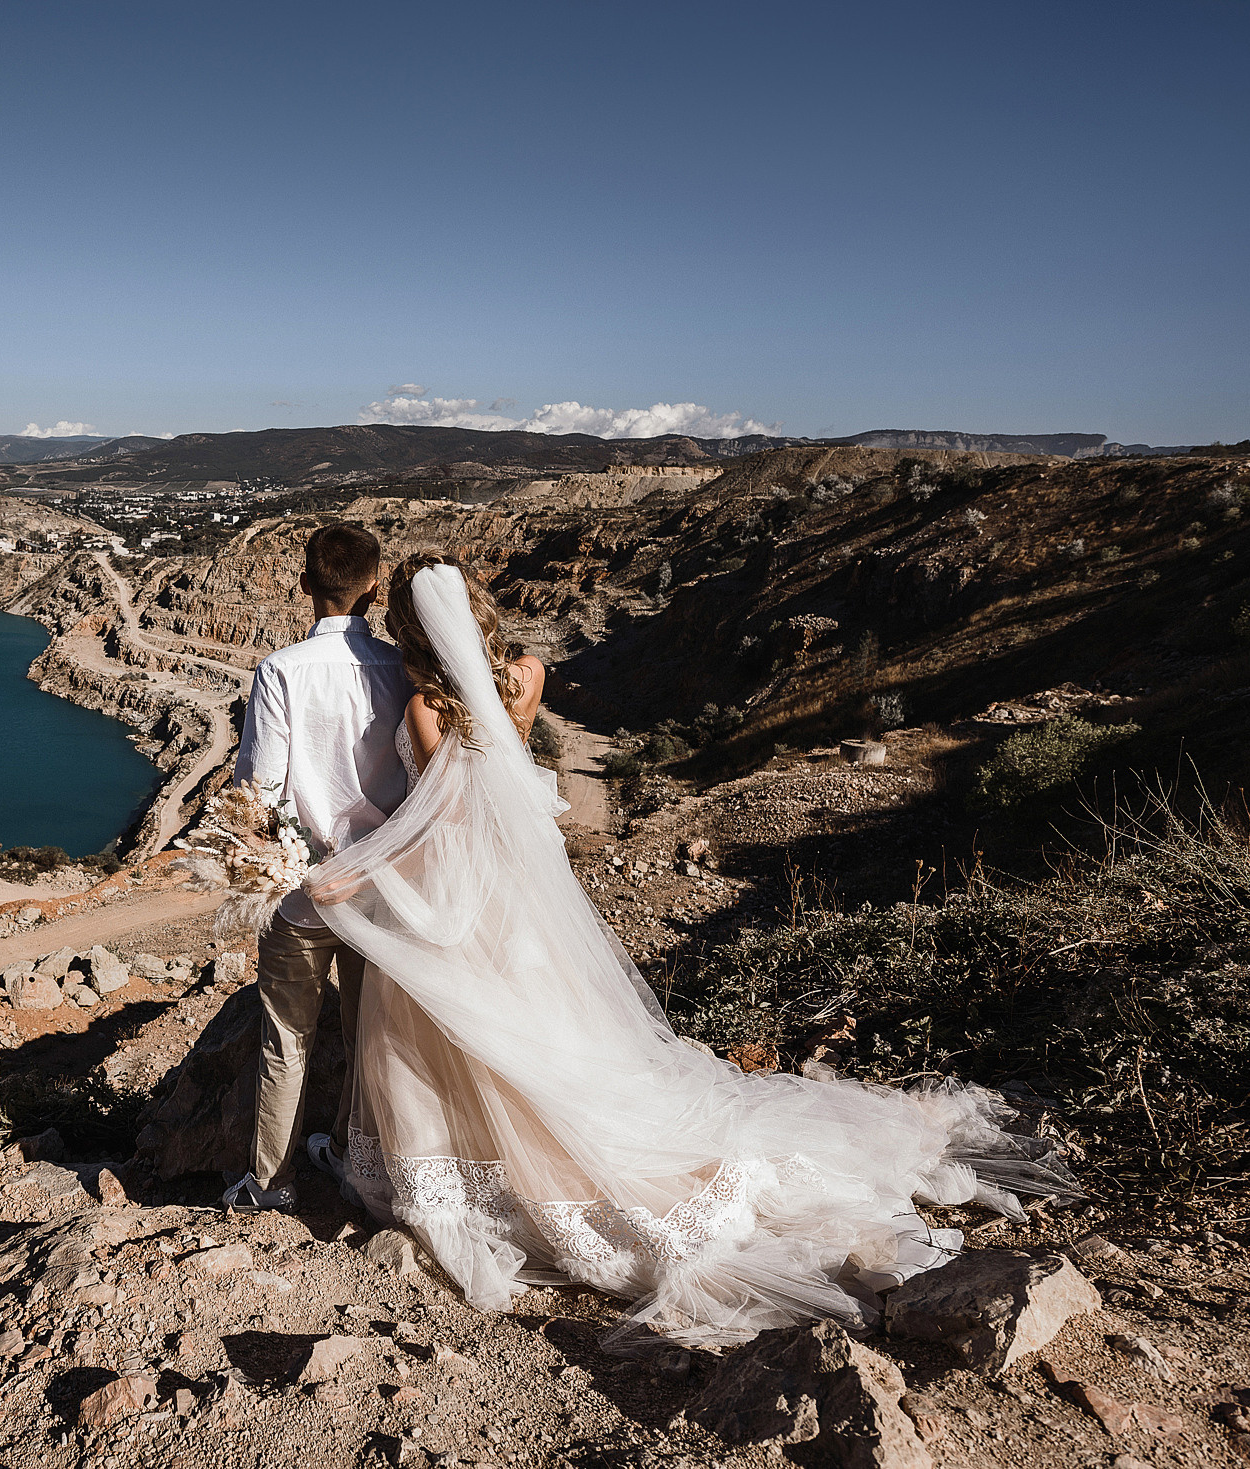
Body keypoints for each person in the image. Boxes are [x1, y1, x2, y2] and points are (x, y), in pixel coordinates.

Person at [307, 554, 1075, 1344]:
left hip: (460, 899)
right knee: (549, 1043)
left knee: (458, 1048)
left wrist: (351, 870)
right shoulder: (524, 677)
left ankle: (491, 1178)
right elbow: (504, 780)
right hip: (521, 896)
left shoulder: (427, 707)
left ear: (411, 633)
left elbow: (445, 820)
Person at [221, 522, 414, 1213]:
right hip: (382, 889)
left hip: (303, 894)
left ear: (304, 585)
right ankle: (355, 1159)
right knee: (371, 1037)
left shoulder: (280, 670)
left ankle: (270, 1183)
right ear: (373, 587)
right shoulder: (402, 670)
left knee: (287, 1041)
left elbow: (260, 792)